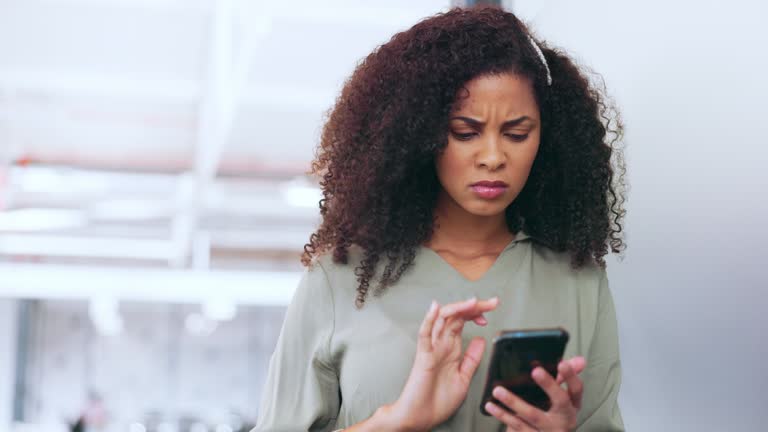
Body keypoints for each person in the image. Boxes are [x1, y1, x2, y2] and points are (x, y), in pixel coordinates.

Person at [255, 5, 626, 432]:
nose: (492, 157)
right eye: (465, 133)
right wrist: (395, 422)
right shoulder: (339, 278)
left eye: (517, 133)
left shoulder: (578, 281)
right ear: (419, 135)